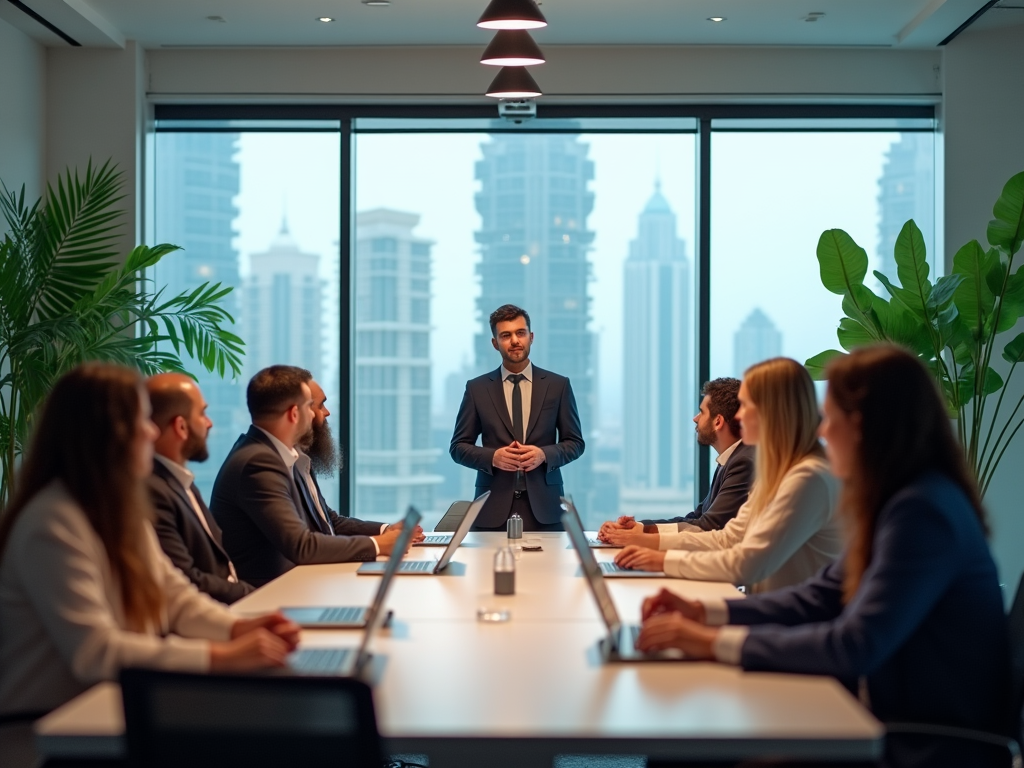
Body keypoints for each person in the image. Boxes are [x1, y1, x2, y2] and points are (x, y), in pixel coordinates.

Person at [634, 345, 1012, 768]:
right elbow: (819, 595)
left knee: (685, 754)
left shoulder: (923, 513)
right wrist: (705, 613)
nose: (825, 432)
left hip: (917, 740)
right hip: (872, 705)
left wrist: (710, 641)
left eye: (831, 418)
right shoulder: (898, 501)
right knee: (681, 749)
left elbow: (854, 643)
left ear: (866, 426)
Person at [0, 364, 301, 720]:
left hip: (112, 705)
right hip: (46, 727)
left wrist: (238, 627)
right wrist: (222, 655)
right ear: (108, 433)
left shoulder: (116, 511)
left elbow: (174, 598)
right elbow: (95, 652)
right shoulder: (51, 522)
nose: (150, 431)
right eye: (141, 419)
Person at [614, 358, 843, 593]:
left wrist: (659, 558)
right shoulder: (780, 471)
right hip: (769, 609)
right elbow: (729, 539)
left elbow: (748, 563)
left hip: (791, 621)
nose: (738, 416)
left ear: (770, 411)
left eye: (745, 405)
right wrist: (649, 542)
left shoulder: (807, 477)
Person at [210, 365, 417, 587]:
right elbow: (301, 546)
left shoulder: (285, 456)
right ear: (294, 413)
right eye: (311, 406)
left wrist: (386, 532)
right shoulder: (258, 463)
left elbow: (327, 522)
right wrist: (378, 545)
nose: (319, 414)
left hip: (299, 583)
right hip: (268, 595)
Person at [450, 304, 585, 531]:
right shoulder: (477, 389)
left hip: (546, 510)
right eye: (506, 335)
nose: (515, 341)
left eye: (520, 333)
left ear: (531, 337)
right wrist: (493, 457)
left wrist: (544, 454)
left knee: (547, 568)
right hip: (491, 510)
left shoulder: (558, 386)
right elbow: (458, 447)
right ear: (495, 343)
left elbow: (576, 443)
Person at [146, 373, 254, 605]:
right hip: (210, 620)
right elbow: (187, 580)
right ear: (181, 427)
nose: (209, 422)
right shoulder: (153, 492)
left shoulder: (182, 482)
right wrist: (254, 596)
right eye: (202, 413)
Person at [599, 378, 752, 540]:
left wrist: (641, 536)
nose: (695, 418)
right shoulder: (731, 458)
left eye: (702, 412)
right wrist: (640, 528)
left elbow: (708, 525)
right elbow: (697, 517)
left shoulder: (743, 462)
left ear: (718, 421)